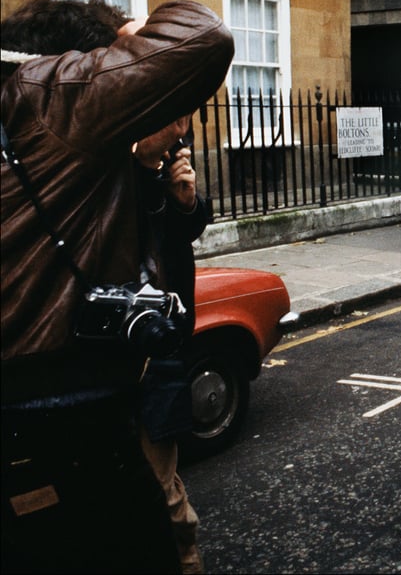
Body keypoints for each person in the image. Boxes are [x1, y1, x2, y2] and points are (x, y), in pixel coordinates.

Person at [1, 0, 233, 572]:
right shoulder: (50, 98)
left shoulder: (42, 144)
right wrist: (131, 38)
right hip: (68, 404)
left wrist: (170, 187)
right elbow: (204, 35)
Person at [134, 115, 211, 574]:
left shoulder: (167, 148)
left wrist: (186, 201)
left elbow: (184, 232)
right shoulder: (108, 157)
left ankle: (185, 555)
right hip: (111, 339)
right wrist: (144, 171)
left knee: (159, 474)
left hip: (161, 337)